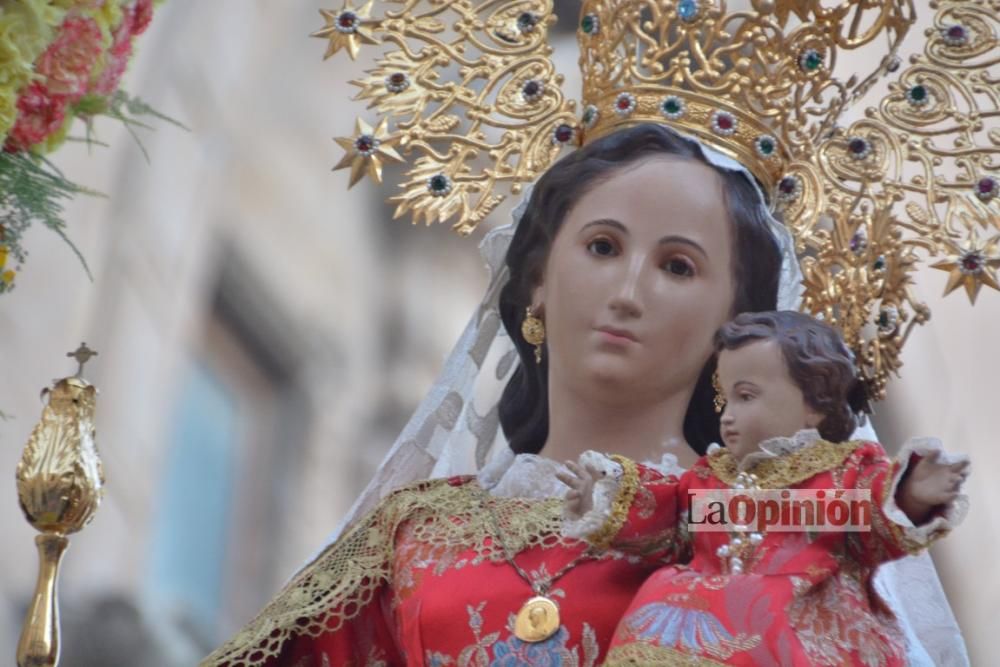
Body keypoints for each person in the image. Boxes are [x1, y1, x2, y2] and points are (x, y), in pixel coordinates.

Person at [202, 123, 788, 666]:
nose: (628, 292)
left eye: (678, 266)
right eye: (603, 248)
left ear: (733, 325)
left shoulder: (754, 540)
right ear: (537, 280)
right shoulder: (414, 534)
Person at [559, 311, 970, 665]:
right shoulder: (711, 479)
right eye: (726, 399)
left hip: (800, 625)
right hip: (702, 622)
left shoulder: (843, 475)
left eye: (746, 396)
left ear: (815, 404)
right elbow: (671, 522)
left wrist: (912, 495)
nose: (728, 416)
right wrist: (602, 496)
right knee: (668, 591)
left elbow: (876, 520)